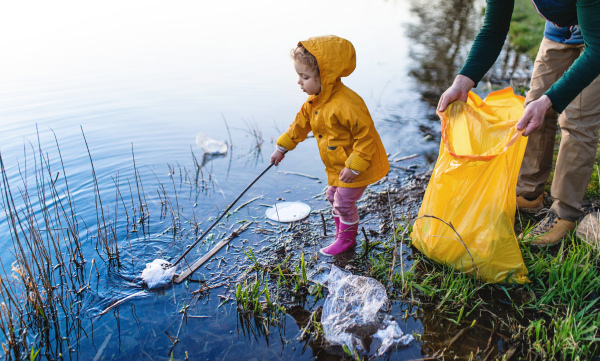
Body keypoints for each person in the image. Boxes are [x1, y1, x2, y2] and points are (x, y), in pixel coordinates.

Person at [437, 0, 600, 246]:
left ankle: (564, 213)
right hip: (558, 34)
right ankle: (529, 193)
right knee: (532, 110)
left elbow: (596, 51)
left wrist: (550, 100)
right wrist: (463, 81)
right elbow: (493, 29)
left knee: (577, 121)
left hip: (596, 40)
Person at [271, 35, 389, 256]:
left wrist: (354, 166)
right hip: (338, 166)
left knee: (343, 201)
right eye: (299, 76)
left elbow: (367, 136)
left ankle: (346, 241)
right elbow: (299, 125)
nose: (299, 82)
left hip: (358, 165)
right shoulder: (315, 101)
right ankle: (340, 233)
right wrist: (282, 148)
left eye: (304, 77)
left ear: (324, 76)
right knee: (332, 196)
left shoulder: (347, 103)